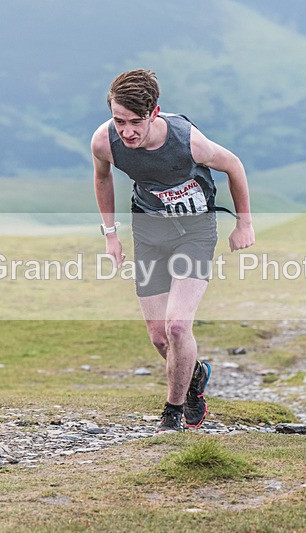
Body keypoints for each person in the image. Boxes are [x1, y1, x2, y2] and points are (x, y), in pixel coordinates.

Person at [90, 69, 255, 432]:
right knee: (159, 337)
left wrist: (244, 224)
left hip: (195, 232)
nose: (127, 132)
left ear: (154, 112)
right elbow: (102, 177)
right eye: (119, 121)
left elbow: (233, 165)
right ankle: (194, 375)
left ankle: (173, 412)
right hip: (149, 233)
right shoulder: (104, 141)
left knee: (178, 326)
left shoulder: (188, 142)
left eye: (136, 122)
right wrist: (111, 235)